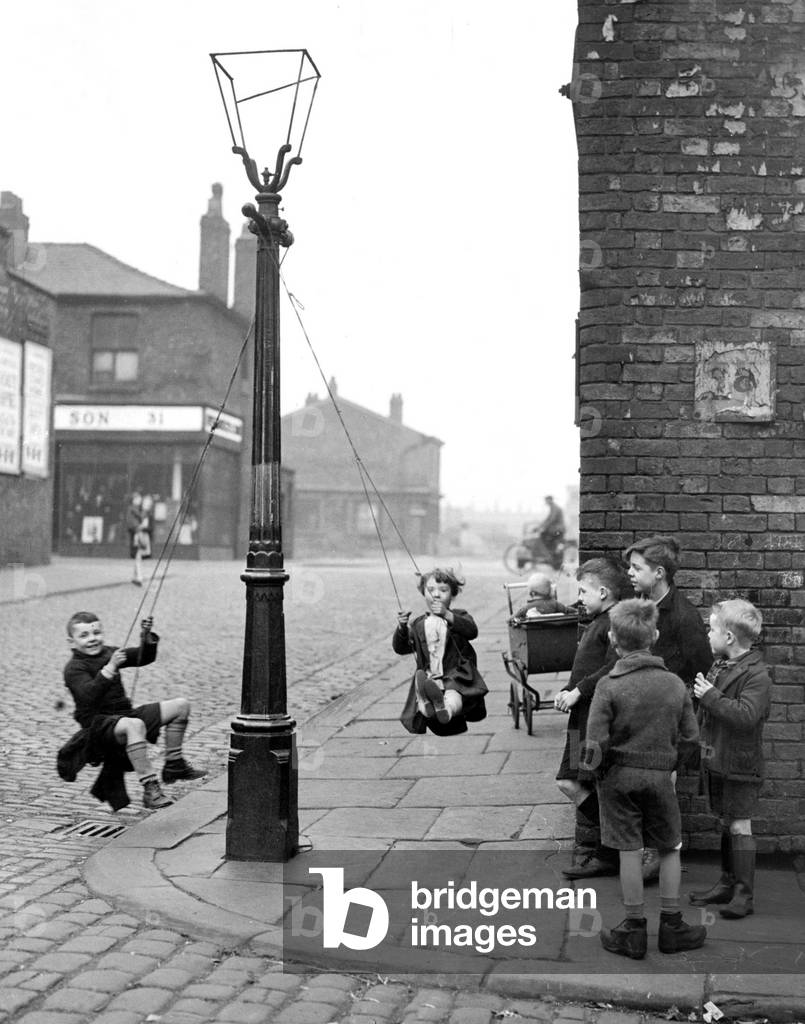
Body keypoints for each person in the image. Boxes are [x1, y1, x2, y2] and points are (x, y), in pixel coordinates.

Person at [583, 599, 704, 959]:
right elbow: (691, 738)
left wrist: (596, 775)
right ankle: (672, 926)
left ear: (612, 639)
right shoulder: (673, 685)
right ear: (654, 635)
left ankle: (633, 930)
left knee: (628, 850)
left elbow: (594, 742)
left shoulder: (608, 685)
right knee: (669, 847)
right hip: (659, 777)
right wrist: (672, 768)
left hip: (618, 779)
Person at [625, 535, 713, 881]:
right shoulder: (642, 604)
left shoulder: (683, 616)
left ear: (659, 572)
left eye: (636, 568)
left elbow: (702, 671)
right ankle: (657, 853)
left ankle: (662, 856)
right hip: (642, 714)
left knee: (664, 787)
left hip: (670, 720)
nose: (630, 573)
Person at [58, 611, 206, 811]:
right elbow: (88, 695)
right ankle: (150, 789)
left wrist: (146, 636)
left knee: (181, 706)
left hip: (125, 716)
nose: (92, 639)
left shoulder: (108, 652)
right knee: (135, 725)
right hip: (98, 728)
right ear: (71, 642)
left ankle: (174, 764)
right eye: (84, 635)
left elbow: (143, 657)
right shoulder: (74, 668)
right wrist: (110, 667)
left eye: (96, 633)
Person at [690, 599, 771, 919]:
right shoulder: (722, 665)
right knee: (727, 822)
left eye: (711, 629)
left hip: (740, 765)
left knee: (740, 826)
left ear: (728, 638)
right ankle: (727, 883)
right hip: (719, 759)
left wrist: (709, 696)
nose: (707, 635)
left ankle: (743, 895)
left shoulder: (757, 675)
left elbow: (747, 717)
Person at [555, 557, 629, 880]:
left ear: (603, 592)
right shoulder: (599, 620)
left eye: (583, 591)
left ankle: (609, 851)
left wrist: (578, 690)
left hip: (595, 719)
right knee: (570, 781)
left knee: (593, 782)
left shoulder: (614, 621)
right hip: (581, 716)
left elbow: (614, 669)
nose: (580, 597)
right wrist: (568, 690)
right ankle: (611, 846)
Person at [395, 568, 488, 736]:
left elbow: (471, 631)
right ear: (423, 593)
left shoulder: (459, 615)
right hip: (431, 675)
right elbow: (401, 648)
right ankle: (427, 705)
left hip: (456, 672)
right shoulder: (418, 624)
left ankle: (446, 710)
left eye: (443, 590)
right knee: (423, 692)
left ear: (452, 594)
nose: (436, 595)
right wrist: (402, 627)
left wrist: (447, 614)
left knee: (453, 694)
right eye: (430, 590)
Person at [126, 492, 147, 586]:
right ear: (134, 500)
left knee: (137, 554)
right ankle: (139, 577)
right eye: (138, 499)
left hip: (134, 532)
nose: (140, 500)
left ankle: (135, 577)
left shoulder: (131, 508)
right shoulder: (133, 509)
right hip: (136, 532)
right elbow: (141, 517)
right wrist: (145, 509)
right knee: (138, 554)